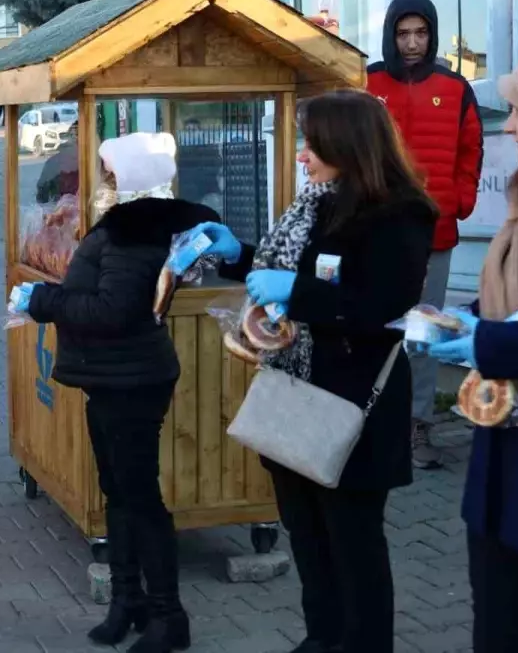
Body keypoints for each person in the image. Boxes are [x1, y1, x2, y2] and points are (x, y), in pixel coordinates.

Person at [194, 91, 436, 653]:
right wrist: (237, 255)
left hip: (353, 407)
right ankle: (322, 637)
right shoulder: (318, 204)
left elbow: (382, 306)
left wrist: (297, 294)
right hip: (296, 395)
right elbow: (293, 272)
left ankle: (363, 643)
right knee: (306, 532)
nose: (302, 155)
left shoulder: (400, 212)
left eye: (312, 143)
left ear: (347, 144)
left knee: (354, 542)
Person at [19, 132, 217, 652]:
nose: (100, 180)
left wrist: (43, 300)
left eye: (107, 172)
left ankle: (168, 615)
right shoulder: (125, 227)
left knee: (139, 496)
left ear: (126, 180)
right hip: (111, 377)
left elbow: (112, 311)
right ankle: (127, 600)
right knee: (118, 491)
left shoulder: (135, 233)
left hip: (132, 379)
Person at [423, 42, 518, 653]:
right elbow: (515, 303)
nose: (508, 125)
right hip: (503, 482)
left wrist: (490, 341)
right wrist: (463, 321)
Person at [366, 0, 484, 469]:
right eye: (403, 33)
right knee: (374, 328)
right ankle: (372, 423)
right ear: (391, 34)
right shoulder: (367, 83)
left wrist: (459, 202)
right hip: (376, 235)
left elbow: (470, 150)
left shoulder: (456, 88)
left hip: (434, 234)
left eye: (421, 33)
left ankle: (418, 427)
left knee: (424, 332)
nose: (412, 43)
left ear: (432, 35)